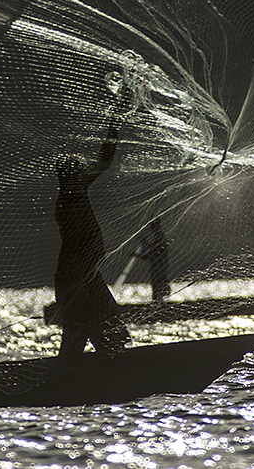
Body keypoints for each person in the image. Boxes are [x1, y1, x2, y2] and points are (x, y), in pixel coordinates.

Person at [52, 89, 134, 360]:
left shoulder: (74, 193)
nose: (86, 171)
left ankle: (100, 371)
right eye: (79, 169)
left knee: (109, 333)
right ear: (70, 177)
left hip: (84, 277)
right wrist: (115, 120)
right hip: (79, 280)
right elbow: (104, 162)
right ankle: (71, 378)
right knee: (86, 333)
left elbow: (103, 163)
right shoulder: (71, 198)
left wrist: (116, 119)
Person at [137, 217, 171, 302]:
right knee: (157, 286)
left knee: (158, 286)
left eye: (152, 226)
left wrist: (146, 244)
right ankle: (158, 302)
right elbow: (151, 254)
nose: (151, 228)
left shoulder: (160, 236)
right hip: (157, 266)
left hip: (159, 266)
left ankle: (158, 303)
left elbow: (155, 252)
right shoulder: (158, 236)